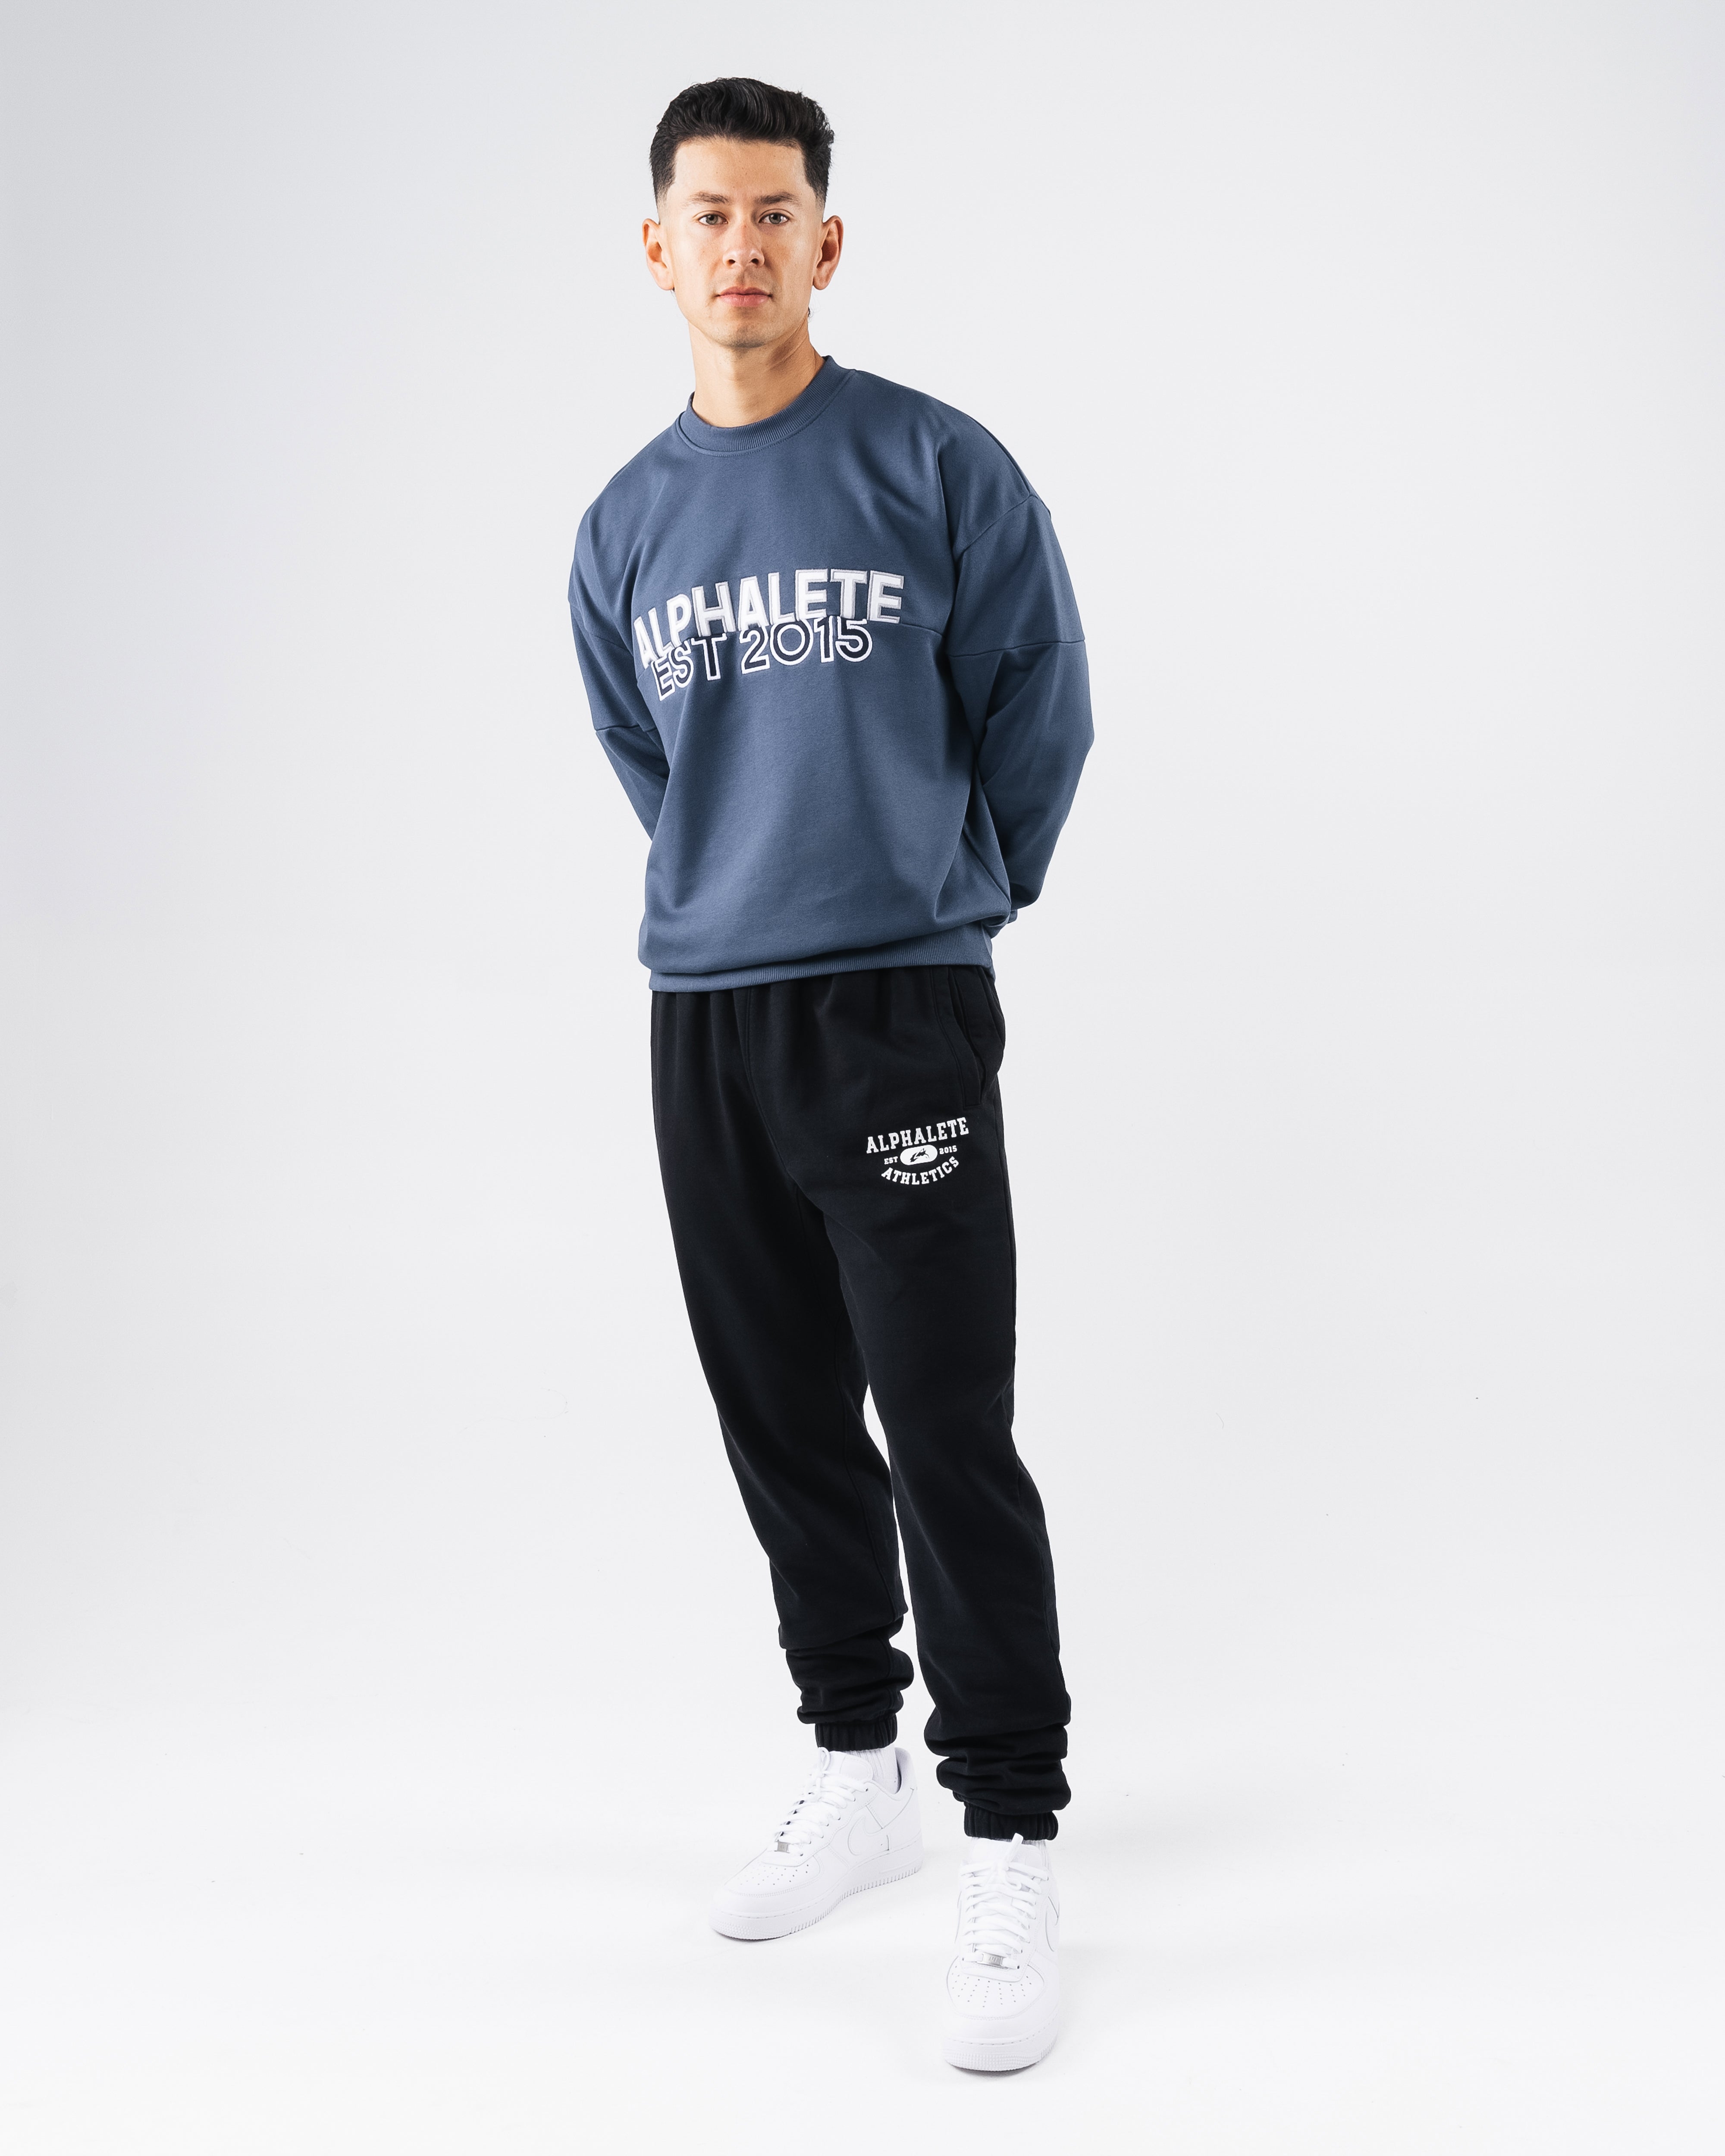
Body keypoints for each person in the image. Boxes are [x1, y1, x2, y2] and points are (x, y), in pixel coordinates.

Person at [568, 76, 1092, 2072]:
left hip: (897, 1004)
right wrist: (743, 884)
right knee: (782, 1410)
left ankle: (1009, 1833)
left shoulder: (931, 465)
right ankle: (854, 1764)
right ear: (658, 248)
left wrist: (955, 887)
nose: (742, 245)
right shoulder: (624, 523)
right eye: (709, 214)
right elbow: (652, 758)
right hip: (708, 1010)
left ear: (826, 241)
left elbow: (1041, 701)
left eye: (775, 212)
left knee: (945, 1423)